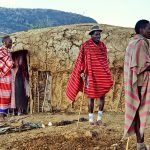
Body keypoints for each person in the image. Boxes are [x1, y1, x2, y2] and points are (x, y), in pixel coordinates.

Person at [66, 25, 113, 125]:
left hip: (101, 74)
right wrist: (82, 72)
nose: (98, 36)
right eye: (96, 34)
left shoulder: (103, 46)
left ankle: (99, 119)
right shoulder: (86, 46)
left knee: (102, 96)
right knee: (91, 96)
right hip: (90, 74)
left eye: (99, 34)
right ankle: (91, 120)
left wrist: (106, 71)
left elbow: (104, 60)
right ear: (91, 35)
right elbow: (81, 60)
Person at [124, 19, 150, 150]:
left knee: (136, 111)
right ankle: (140, 144)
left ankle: (140, 143)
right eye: (148, 28)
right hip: (139, 83)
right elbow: (141, 66)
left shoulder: (133, 42)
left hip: (133, 82)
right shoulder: (141, 43)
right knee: (140, 112)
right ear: (141, 30)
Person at [0, 35, 13, 122]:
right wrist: (11, 64)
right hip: (2, 78)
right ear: (4, 43)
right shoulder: (1, 52)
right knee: (2, 96)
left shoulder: (7, 52)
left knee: (7, 96)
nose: (11, 43)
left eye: (11, 42)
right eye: (10, 42)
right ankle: (1, 115)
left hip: (8, 78)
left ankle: (4, 115)